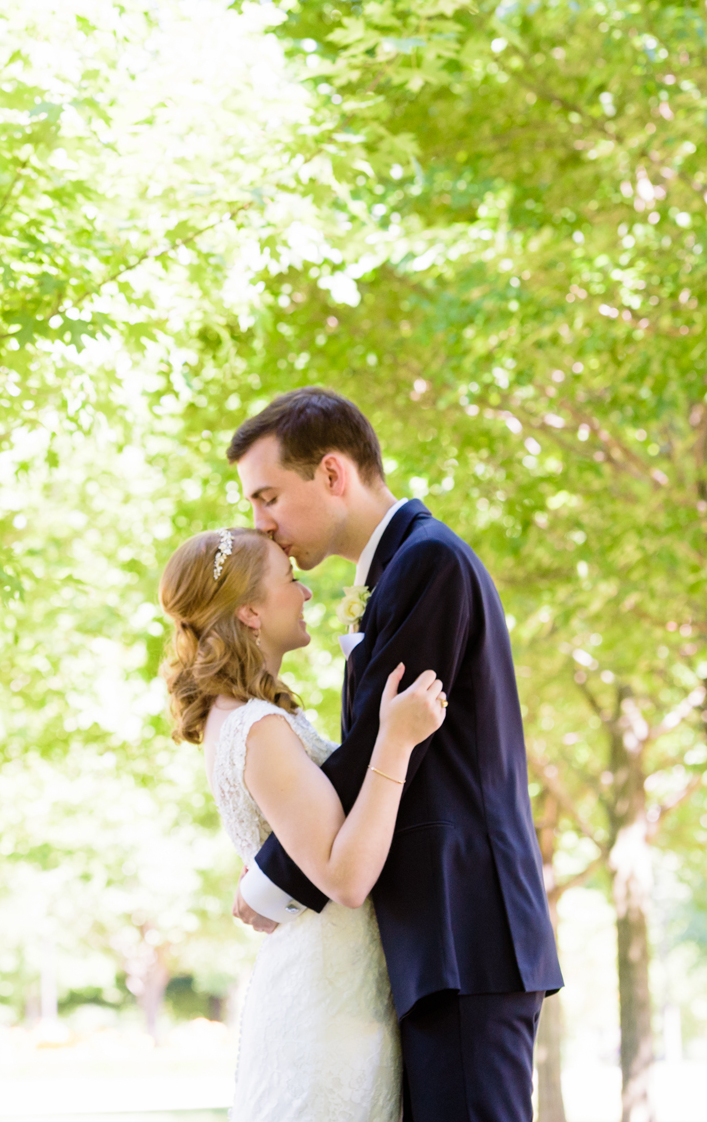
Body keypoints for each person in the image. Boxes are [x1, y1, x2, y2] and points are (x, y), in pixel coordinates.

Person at [227, 387, 563, 1122]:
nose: (263, 524)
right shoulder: (402, 568)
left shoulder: (427, 563)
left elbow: (371, 754)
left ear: (334, 473)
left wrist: (272, 877)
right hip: (440, 942)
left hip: (464, 933)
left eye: (270, 496)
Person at [159, 525, 447, 1122]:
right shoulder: (257, 728)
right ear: (251, 613)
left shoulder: (241, 717)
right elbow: (345, 878)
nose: (307, 593)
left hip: (336, 985)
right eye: (290, 580)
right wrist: (395, 741)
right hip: (328, 1003)